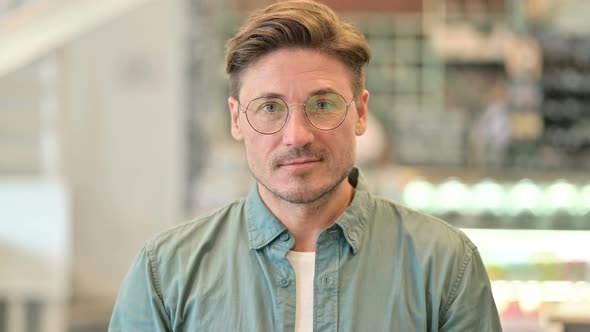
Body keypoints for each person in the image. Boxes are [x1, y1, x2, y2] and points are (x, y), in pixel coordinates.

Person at [109, 1, 502, 331]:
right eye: (269, 107)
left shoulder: (446, 266)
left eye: (323, 104)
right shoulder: (165, 273)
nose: (297, 135)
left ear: (361, 112)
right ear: (236, 119)